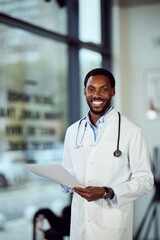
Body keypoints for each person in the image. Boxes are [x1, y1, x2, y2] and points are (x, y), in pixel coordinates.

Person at [61, 68, 154, 240]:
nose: (96, 95)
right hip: (80, 225)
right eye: (91, 89)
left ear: (112, 91)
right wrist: (65, 182)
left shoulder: (132, 131)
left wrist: (107, 192)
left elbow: (145, 181)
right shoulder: (72, 131)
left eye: (103, 89)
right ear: (84, 91)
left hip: (112, 229)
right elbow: (68, 171)